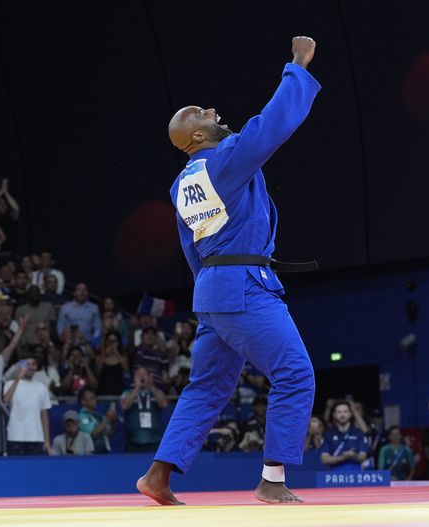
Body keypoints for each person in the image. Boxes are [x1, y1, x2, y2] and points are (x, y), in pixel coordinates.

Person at [137, 36, 319, 506]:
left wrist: (209, 292)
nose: (212, 110)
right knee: (295, 373)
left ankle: (159, 475)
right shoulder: (225, 161)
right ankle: (272, 479)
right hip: (241, 287)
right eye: (201, 113)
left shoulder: (182, 184)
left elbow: (191, 247)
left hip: (211, 291)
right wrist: (296, 66)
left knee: (208, 386)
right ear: (195, 137)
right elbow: (272, 125)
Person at [3, 354, 52, 455]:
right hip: (15, 436)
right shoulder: (9, 383)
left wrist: (46, 439)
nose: (30, 367)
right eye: (27, 364)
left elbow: (44, 415)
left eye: (33, 364)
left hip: (36, 437)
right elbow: (6, 401)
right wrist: (17, 380)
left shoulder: (41, 387)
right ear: (21, 366)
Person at [121, 367, 168, 453]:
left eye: (144, 374)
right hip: (134, 441)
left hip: (155, 440)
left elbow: (164, 404)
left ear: (149, 377)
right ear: (134, 377)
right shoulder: (127, 393)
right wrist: (136, 388)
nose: (142, 377)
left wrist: (152, 386)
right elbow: (124, 406)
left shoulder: (157, 392)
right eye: (139, 374)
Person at [320, 400, 370, 471]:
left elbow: (363, 456)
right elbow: (324, 459)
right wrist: (343, 457)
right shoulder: (328, 434)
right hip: (334, 475)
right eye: (339, 412)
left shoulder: (359, 433)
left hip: (355, 474)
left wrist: (354, 455)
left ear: (350, 414)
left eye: (345, 411)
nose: (342, 415)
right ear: (334, 415)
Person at [77, 387, 117, 454]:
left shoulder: (99, 416)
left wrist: (113, 421)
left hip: (103, 452)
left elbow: (109, 434)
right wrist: (107, 418)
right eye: (91, 398)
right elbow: (92, 434)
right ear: (83, 401)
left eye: (95, 398)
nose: (95, 400)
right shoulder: (82, 416)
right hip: (91, 454)